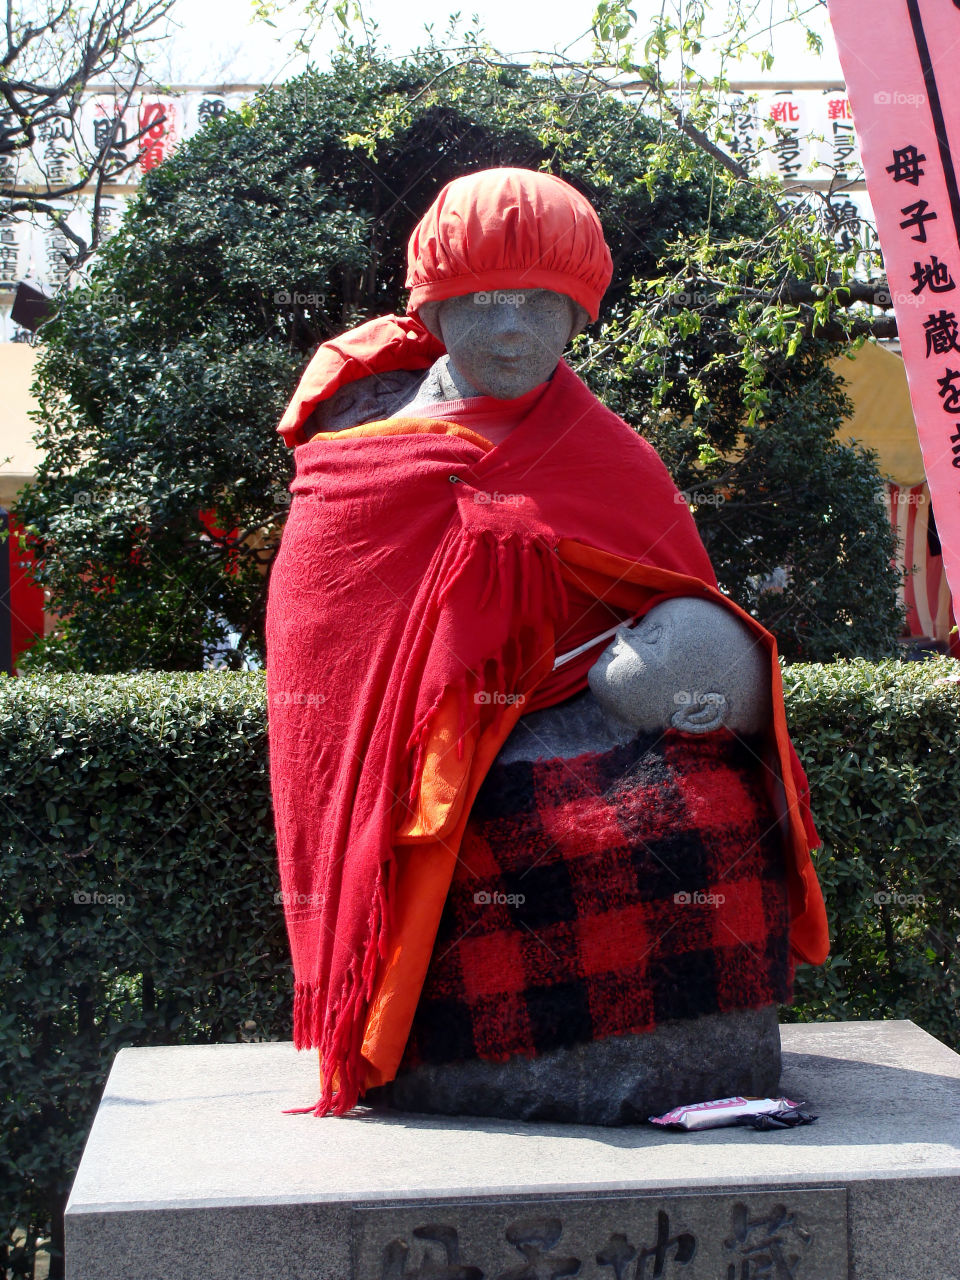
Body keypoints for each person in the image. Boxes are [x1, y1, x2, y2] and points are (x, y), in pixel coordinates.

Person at [265, 167, 829, 1117]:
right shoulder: (361, 455)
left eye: (541, 302)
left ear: (578, 315)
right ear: (436, 314)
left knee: (712, 805)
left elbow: (682, 591)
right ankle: (481, 1066)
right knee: (513, 834)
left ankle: (697, 1062)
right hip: (436, 741)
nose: (514, 328)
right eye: (482, 303)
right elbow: (325, 641)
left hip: (594, 708)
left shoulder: (602, 449)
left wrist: (696, 669)